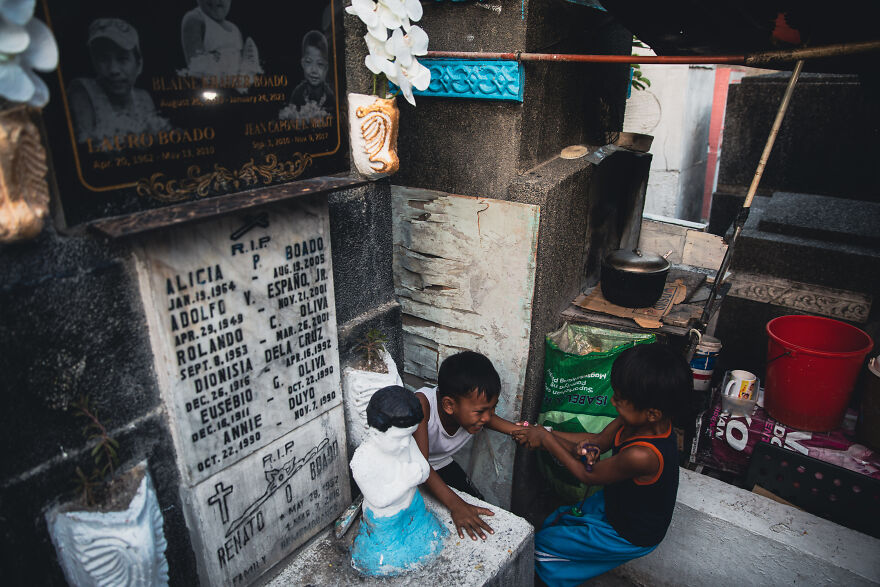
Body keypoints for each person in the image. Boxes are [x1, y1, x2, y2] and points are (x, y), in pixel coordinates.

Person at [511, 343, 691, 586]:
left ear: (652, 413)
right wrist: (548, 435)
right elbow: (596, 442)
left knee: (542, 549)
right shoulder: (634, 421)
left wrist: (546, 439)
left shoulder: (643, 455)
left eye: (619, 398)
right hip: (617, 504)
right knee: (558, 522)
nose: (612, 401)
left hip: (629, 532)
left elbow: (589, 475)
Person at [413, 351, 521, 541]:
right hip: (412, 468)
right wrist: (456, 505)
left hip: (440, 464)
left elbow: (491, 420)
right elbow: (420, 466)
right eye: (480, 411)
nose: (486, 418)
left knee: (477, 504)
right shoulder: (422, 406)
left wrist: (520, 431)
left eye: (492, 409)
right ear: (449, 405)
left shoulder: (470, 412)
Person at [350, 386, 447, 576]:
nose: (406, 443)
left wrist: (417, 473)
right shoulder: (362, 460)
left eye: (409, 435)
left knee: (424, 534)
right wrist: (406, 481)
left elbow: (424, 469)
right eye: (400, 438)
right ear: (376, 432)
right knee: (391, 555)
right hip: (387, 520)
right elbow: (379, 499)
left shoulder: (405, 441)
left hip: (414, 505)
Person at [67, 18, 170, 144]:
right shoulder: (82, 91)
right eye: (103, 59)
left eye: (122, 59)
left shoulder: (144, 98)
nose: (113, 70)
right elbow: (87, 145)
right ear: (94, 62)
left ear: (139, 64)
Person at [180, 0, 261, 78]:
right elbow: (196, 68)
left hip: (237, 86)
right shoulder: (194, 19)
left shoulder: (234, 29)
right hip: (213, 88)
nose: (215, 1)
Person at [279, 30, 334, 120]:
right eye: (308, 62)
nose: (314, 70)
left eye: (320, 64)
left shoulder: (330, 96)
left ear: (326, 68)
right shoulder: (297, 94)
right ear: (303, 64)